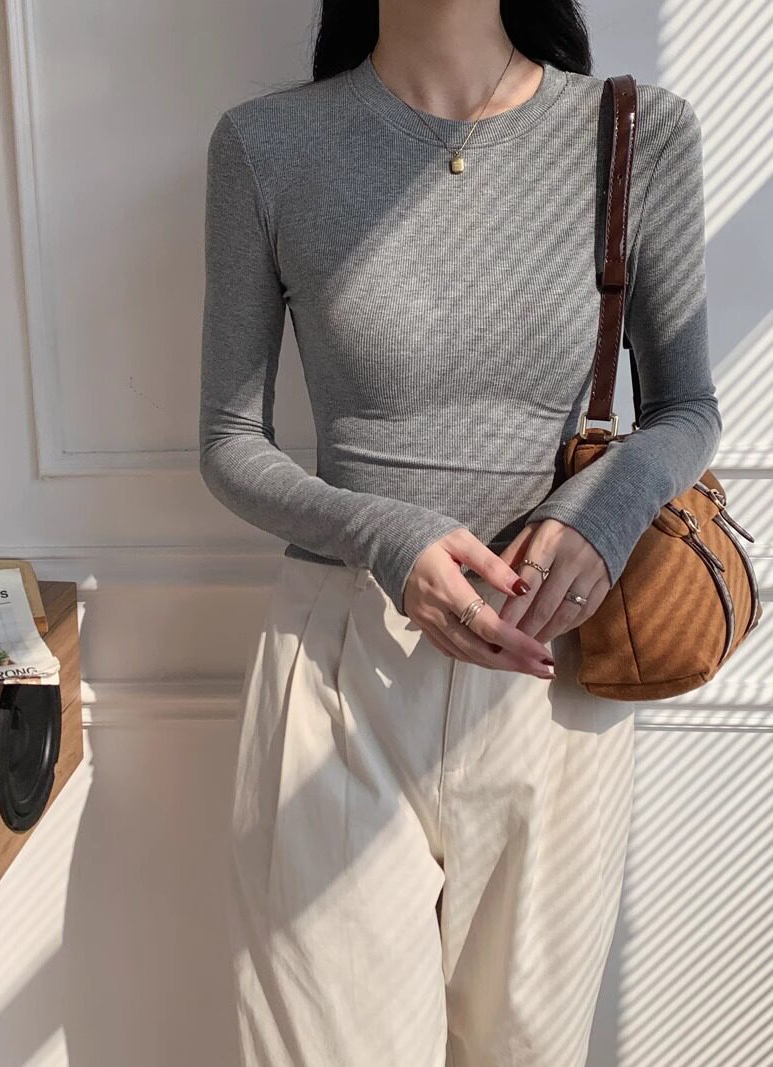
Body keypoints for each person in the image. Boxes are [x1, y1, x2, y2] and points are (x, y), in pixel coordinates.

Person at [199, 2, 721, 1064]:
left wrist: (597, 517)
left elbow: (685, 409)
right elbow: (227, 441)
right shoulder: (266, 145)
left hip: (555, 670)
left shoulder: (637, 132)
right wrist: (386, 533)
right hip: (337, 667)